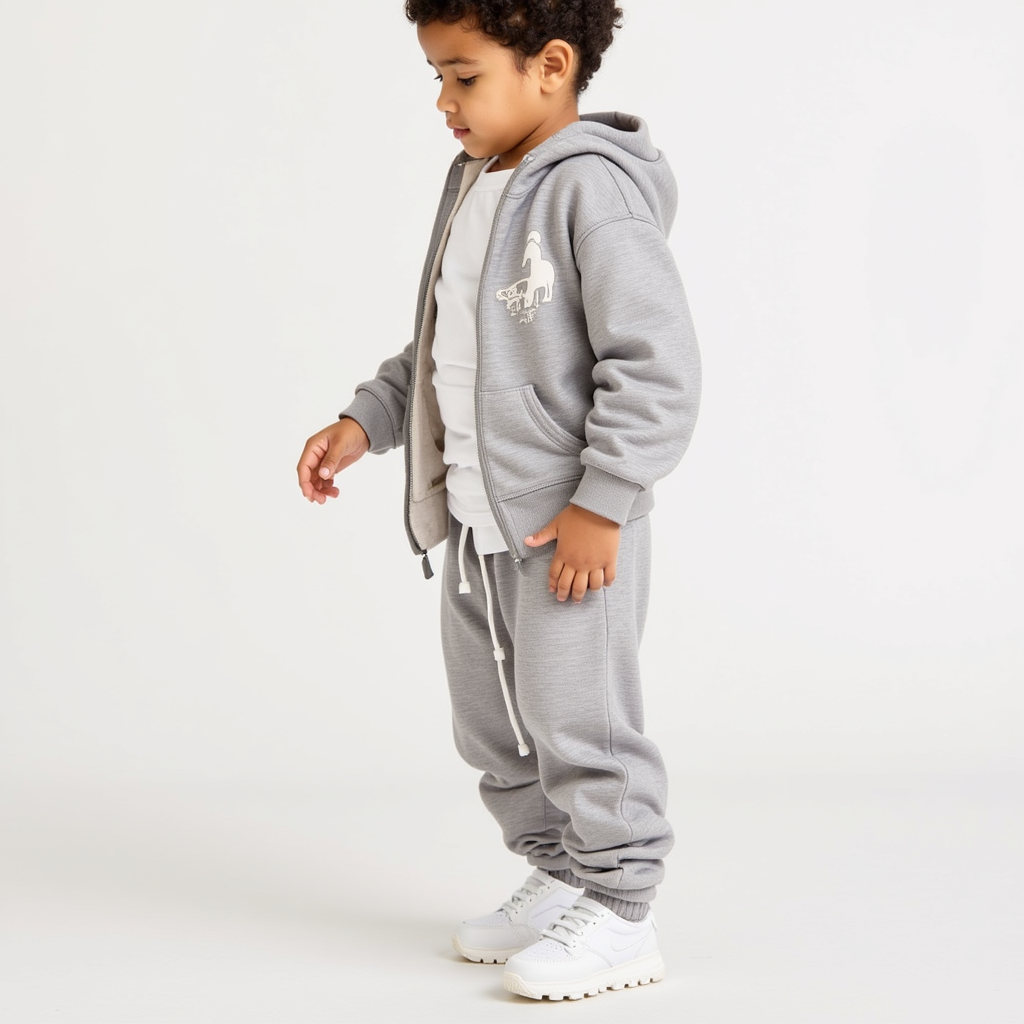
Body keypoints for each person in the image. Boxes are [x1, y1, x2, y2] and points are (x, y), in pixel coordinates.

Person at [296, 0, 700, 1002]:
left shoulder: (593, 192)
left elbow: (656, 366)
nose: (444, 101)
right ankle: (558, 870)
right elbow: (445, 345)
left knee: (581, 720)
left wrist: (604, 502)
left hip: (569, 528)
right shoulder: (477, 183)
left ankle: (621, 905)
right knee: (489, 724)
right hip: (477, 522)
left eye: (464, 76)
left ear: (550, 65)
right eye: (436, 76)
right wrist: (366, 421)